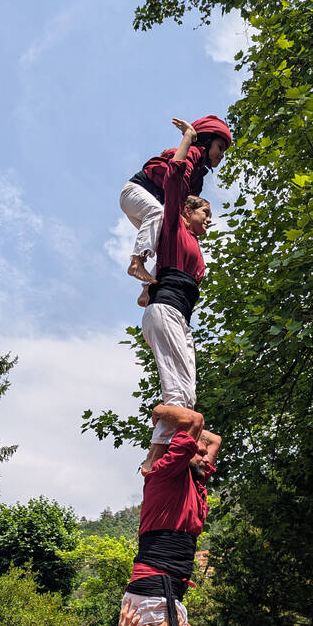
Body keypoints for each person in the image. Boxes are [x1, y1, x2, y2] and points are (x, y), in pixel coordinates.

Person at [139, 119, 218, 470]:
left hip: (178, 317)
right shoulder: (173, 227)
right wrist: (188, 140)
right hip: (165, 312)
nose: (210, 220)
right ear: (186, 213)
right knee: (179, 397)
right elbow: (174, 180)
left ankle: (155, 457)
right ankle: (164, 457)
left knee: (187, 395)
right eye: (206, 213)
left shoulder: (195, 250)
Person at [123, 404, 220, 626]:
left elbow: (215, 440)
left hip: (170, 589)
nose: (205, 457)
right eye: (198, 452)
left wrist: (175, 426)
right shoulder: (165, 475)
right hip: (155, 587)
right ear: (182, 455)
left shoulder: (194, 483)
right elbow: (195, 420)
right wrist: (161, 412)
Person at [120, 114, 231, 303]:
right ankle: (137, 260)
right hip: (135, 193)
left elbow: (184, 203)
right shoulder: (193, 153)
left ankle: (148, 289)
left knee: (167, 242)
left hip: (149, 207)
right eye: (220, 147)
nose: (221, 155)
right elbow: (177, 174)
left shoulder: (199, 177)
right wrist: (188, 138)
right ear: (207, 142)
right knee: (158, 213)